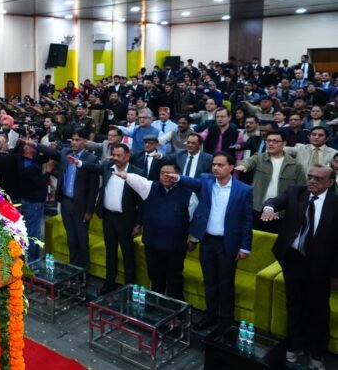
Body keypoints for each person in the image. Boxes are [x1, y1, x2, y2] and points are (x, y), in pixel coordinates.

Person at [261, 166, 338, 370]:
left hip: (320, 266)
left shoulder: (335, 203)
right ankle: (295, 345)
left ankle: (316, 353)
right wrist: (269, 208)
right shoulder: (295, 192)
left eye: (318, 179)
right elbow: (274, 202)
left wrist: (335, 275)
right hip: (293, 260)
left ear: (331, 182)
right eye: (310, 177)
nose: (312, 181)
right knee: (295, 305)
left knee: (318, 310)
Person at [175, 152, 253, 330]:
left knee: (225, 283)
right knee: (209, 281)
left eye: (220, 165)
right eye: (214, 165)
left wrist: (245, 247)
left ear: (231, 167)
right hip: (207, 241)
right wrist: (177, 177)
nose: (216, 168)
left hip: (228, 243)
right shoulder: (207, 181)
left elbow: (247, 220)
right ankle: (210, 315)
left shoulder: (244, 190)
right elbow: (191, 182)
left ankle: (225, 320)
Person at [115, 161, 196, 299]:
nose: (165, 176)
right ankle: (156, 306)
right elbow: (139, 181)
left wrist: (194, 240)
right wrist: (126, 176)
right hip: (152, 245)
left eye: (169, 173)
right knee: (155, 278)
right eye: (162, 173)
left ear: (178, 175)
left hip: (175, 247)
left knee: (174, 280)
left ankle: (175, 308)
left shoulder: (189, 194)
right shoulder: (151, 188)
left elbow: (194, 219)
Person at [76, 144, 143, 294]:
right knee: (110, 252)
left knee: (128, 255)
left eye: (119, 156)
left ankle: (129, 287)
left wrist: (139, 223)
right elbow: (94, 168)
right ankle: (109, 282)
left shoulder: (137, 173)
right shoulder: (108, 167)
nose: (115, 158)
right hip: (108, 217)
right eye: (114, 155)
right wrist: (79, 163)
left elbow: (142, 201)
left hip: (126, 220)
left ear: (128, 156)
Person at [235, 130, 305, 233]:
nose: (271, 144)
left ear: (284, 144)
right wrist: (243, 166)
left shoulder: (295, 165)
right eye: (268, 141)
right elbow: (249, 162)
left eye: (275, 141)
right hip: (257, 208)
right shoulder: (259, 158)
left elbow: (302, 188)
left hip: (281, 212)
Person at [56, 129, 99, 268]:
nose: (73, 143)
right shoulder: (66, 154)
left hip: (81, 206)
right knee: (71, 238)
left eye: (77, 140)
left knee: (82, 239)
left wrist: (89, 210)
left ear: (85, 142)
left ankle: (83, 270)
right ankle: (73, 268)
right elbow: (52, 153)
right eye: (72, 140)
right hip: (65, 202)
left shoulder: (91, 159)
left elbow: (93, 188)